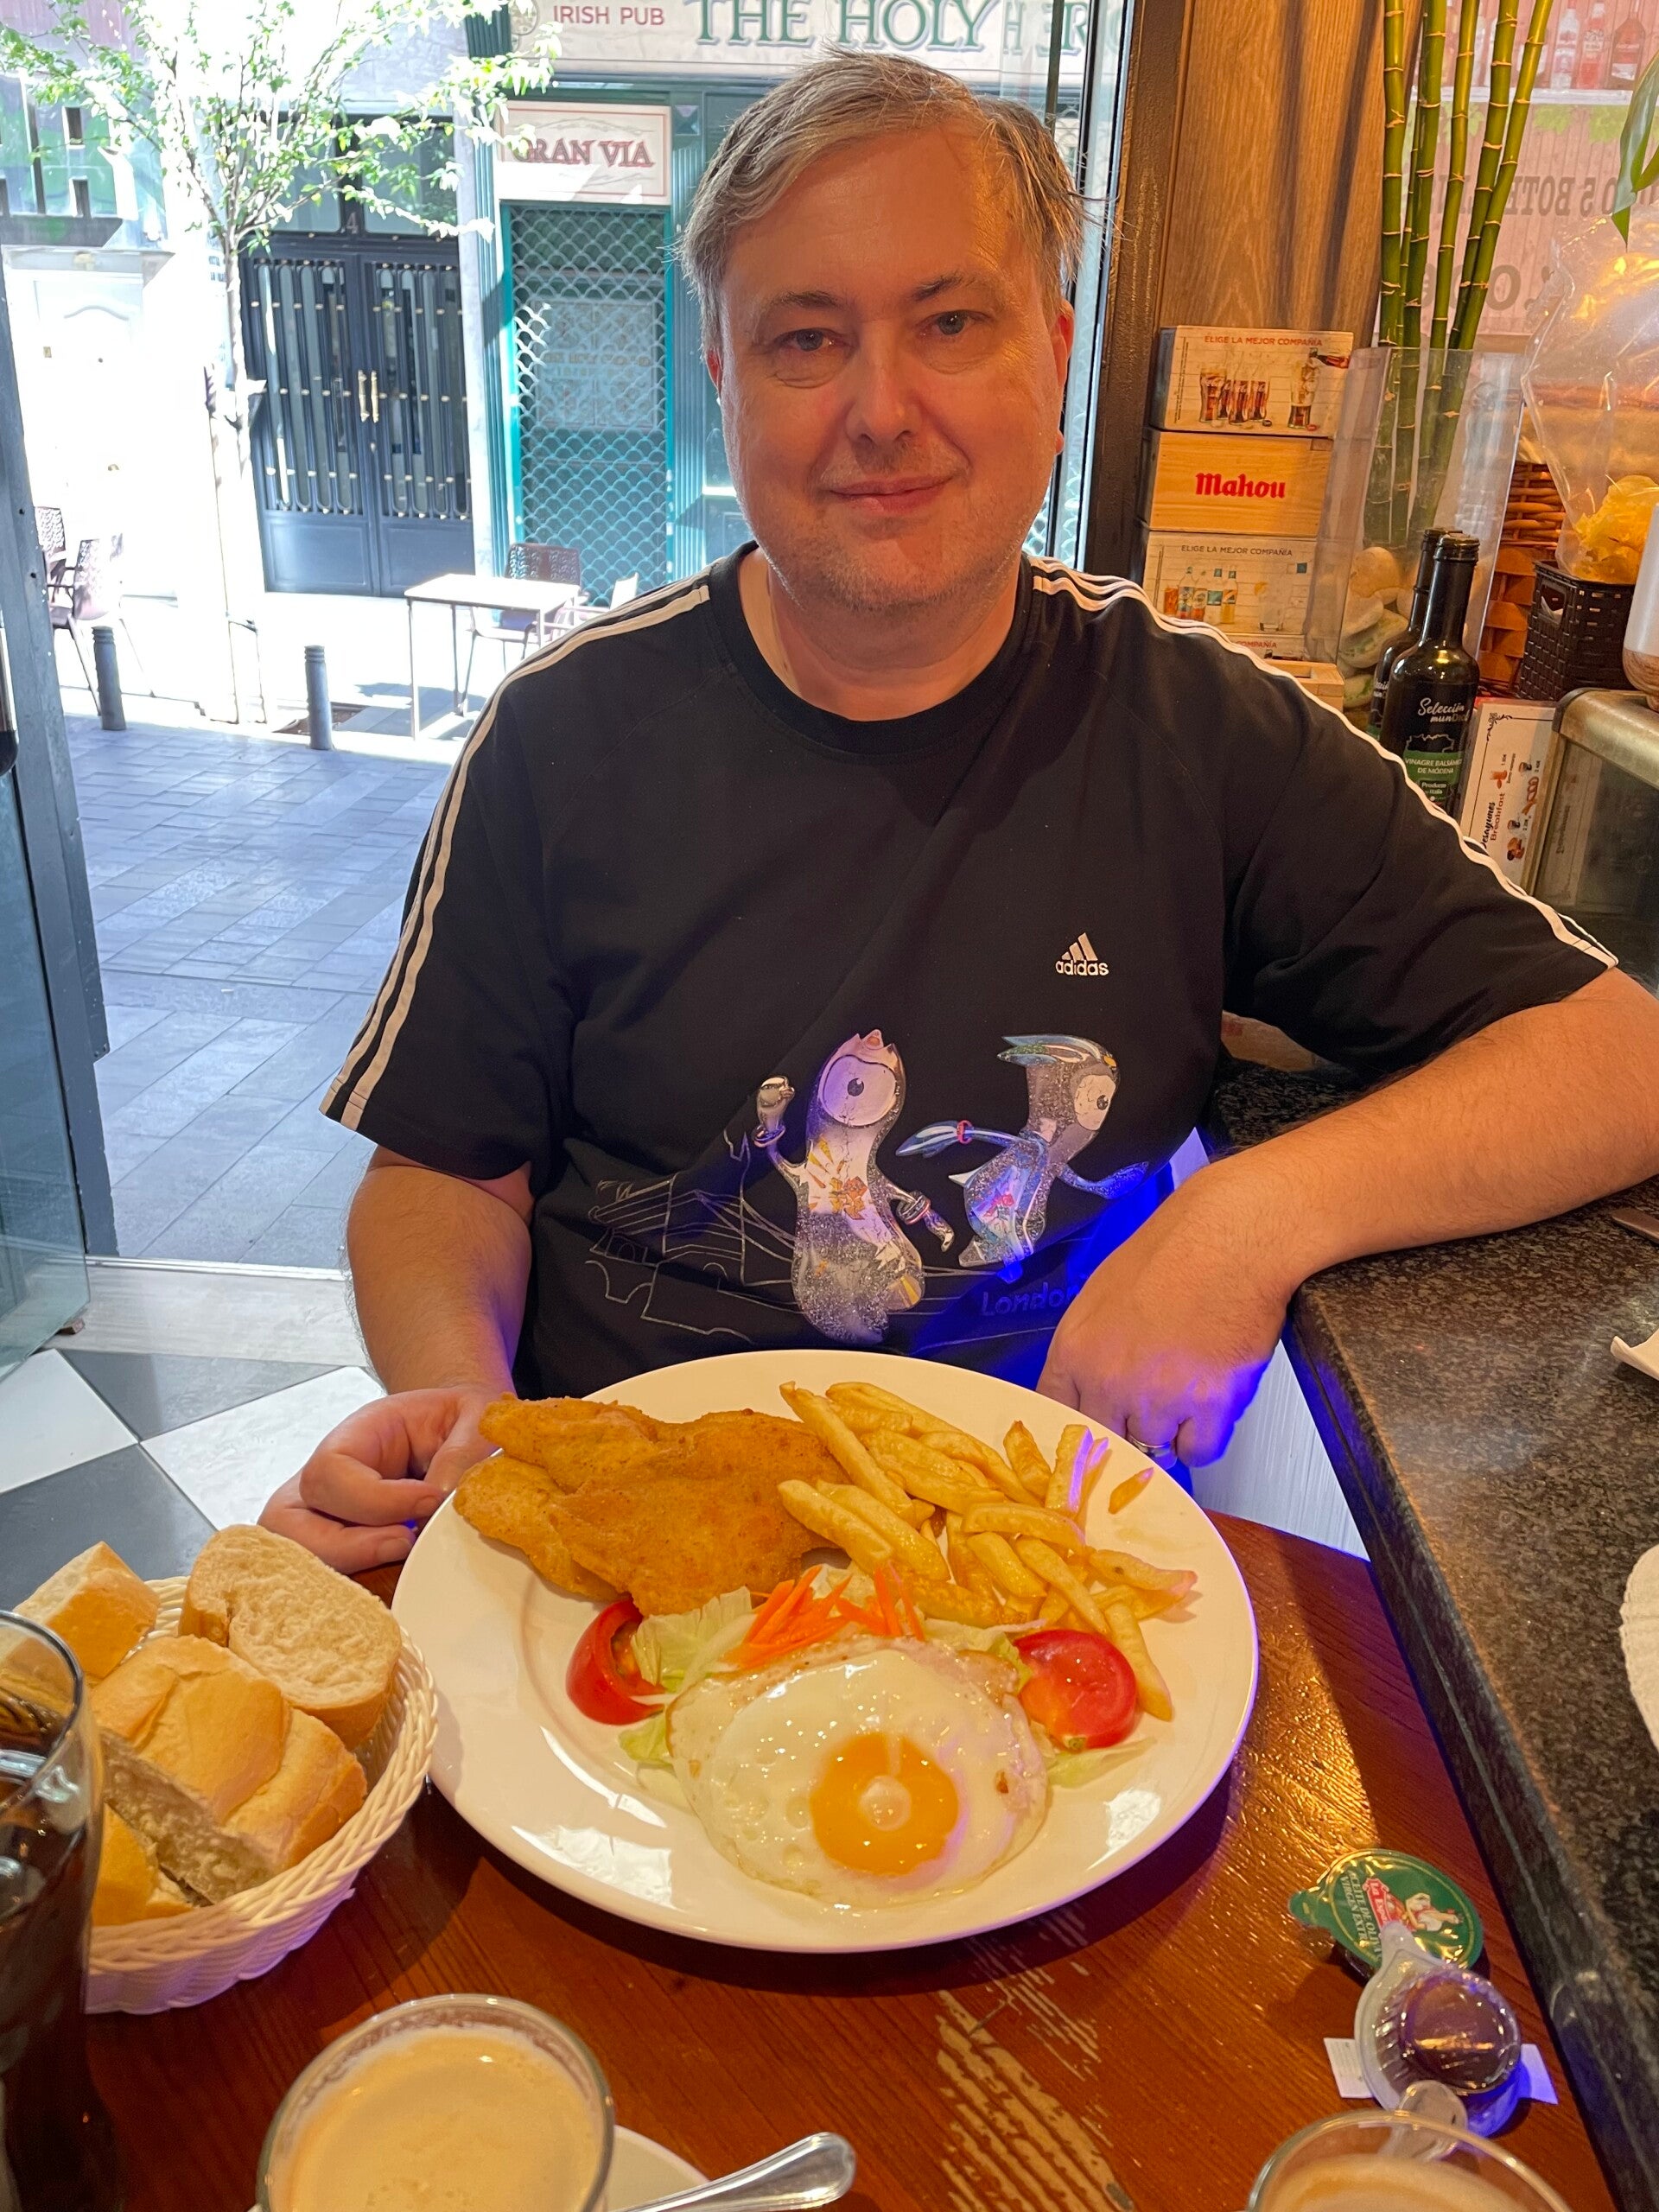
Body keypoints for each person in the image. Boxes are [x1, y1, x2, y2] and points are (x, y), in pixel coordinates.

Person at [264, 52, 1659, 1571]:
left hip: (1027, 1554)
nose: (882, 412)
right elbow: (443, 1175)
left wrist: (1244, 1223)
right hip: (613, 1555)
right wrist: (458, 1402)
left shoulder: (1202, 730)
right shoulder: (564, 732)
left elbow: (1619, 1061)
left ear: (1052, 352)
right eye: (806, 339)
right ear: (723, 379)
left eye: (949, 323)